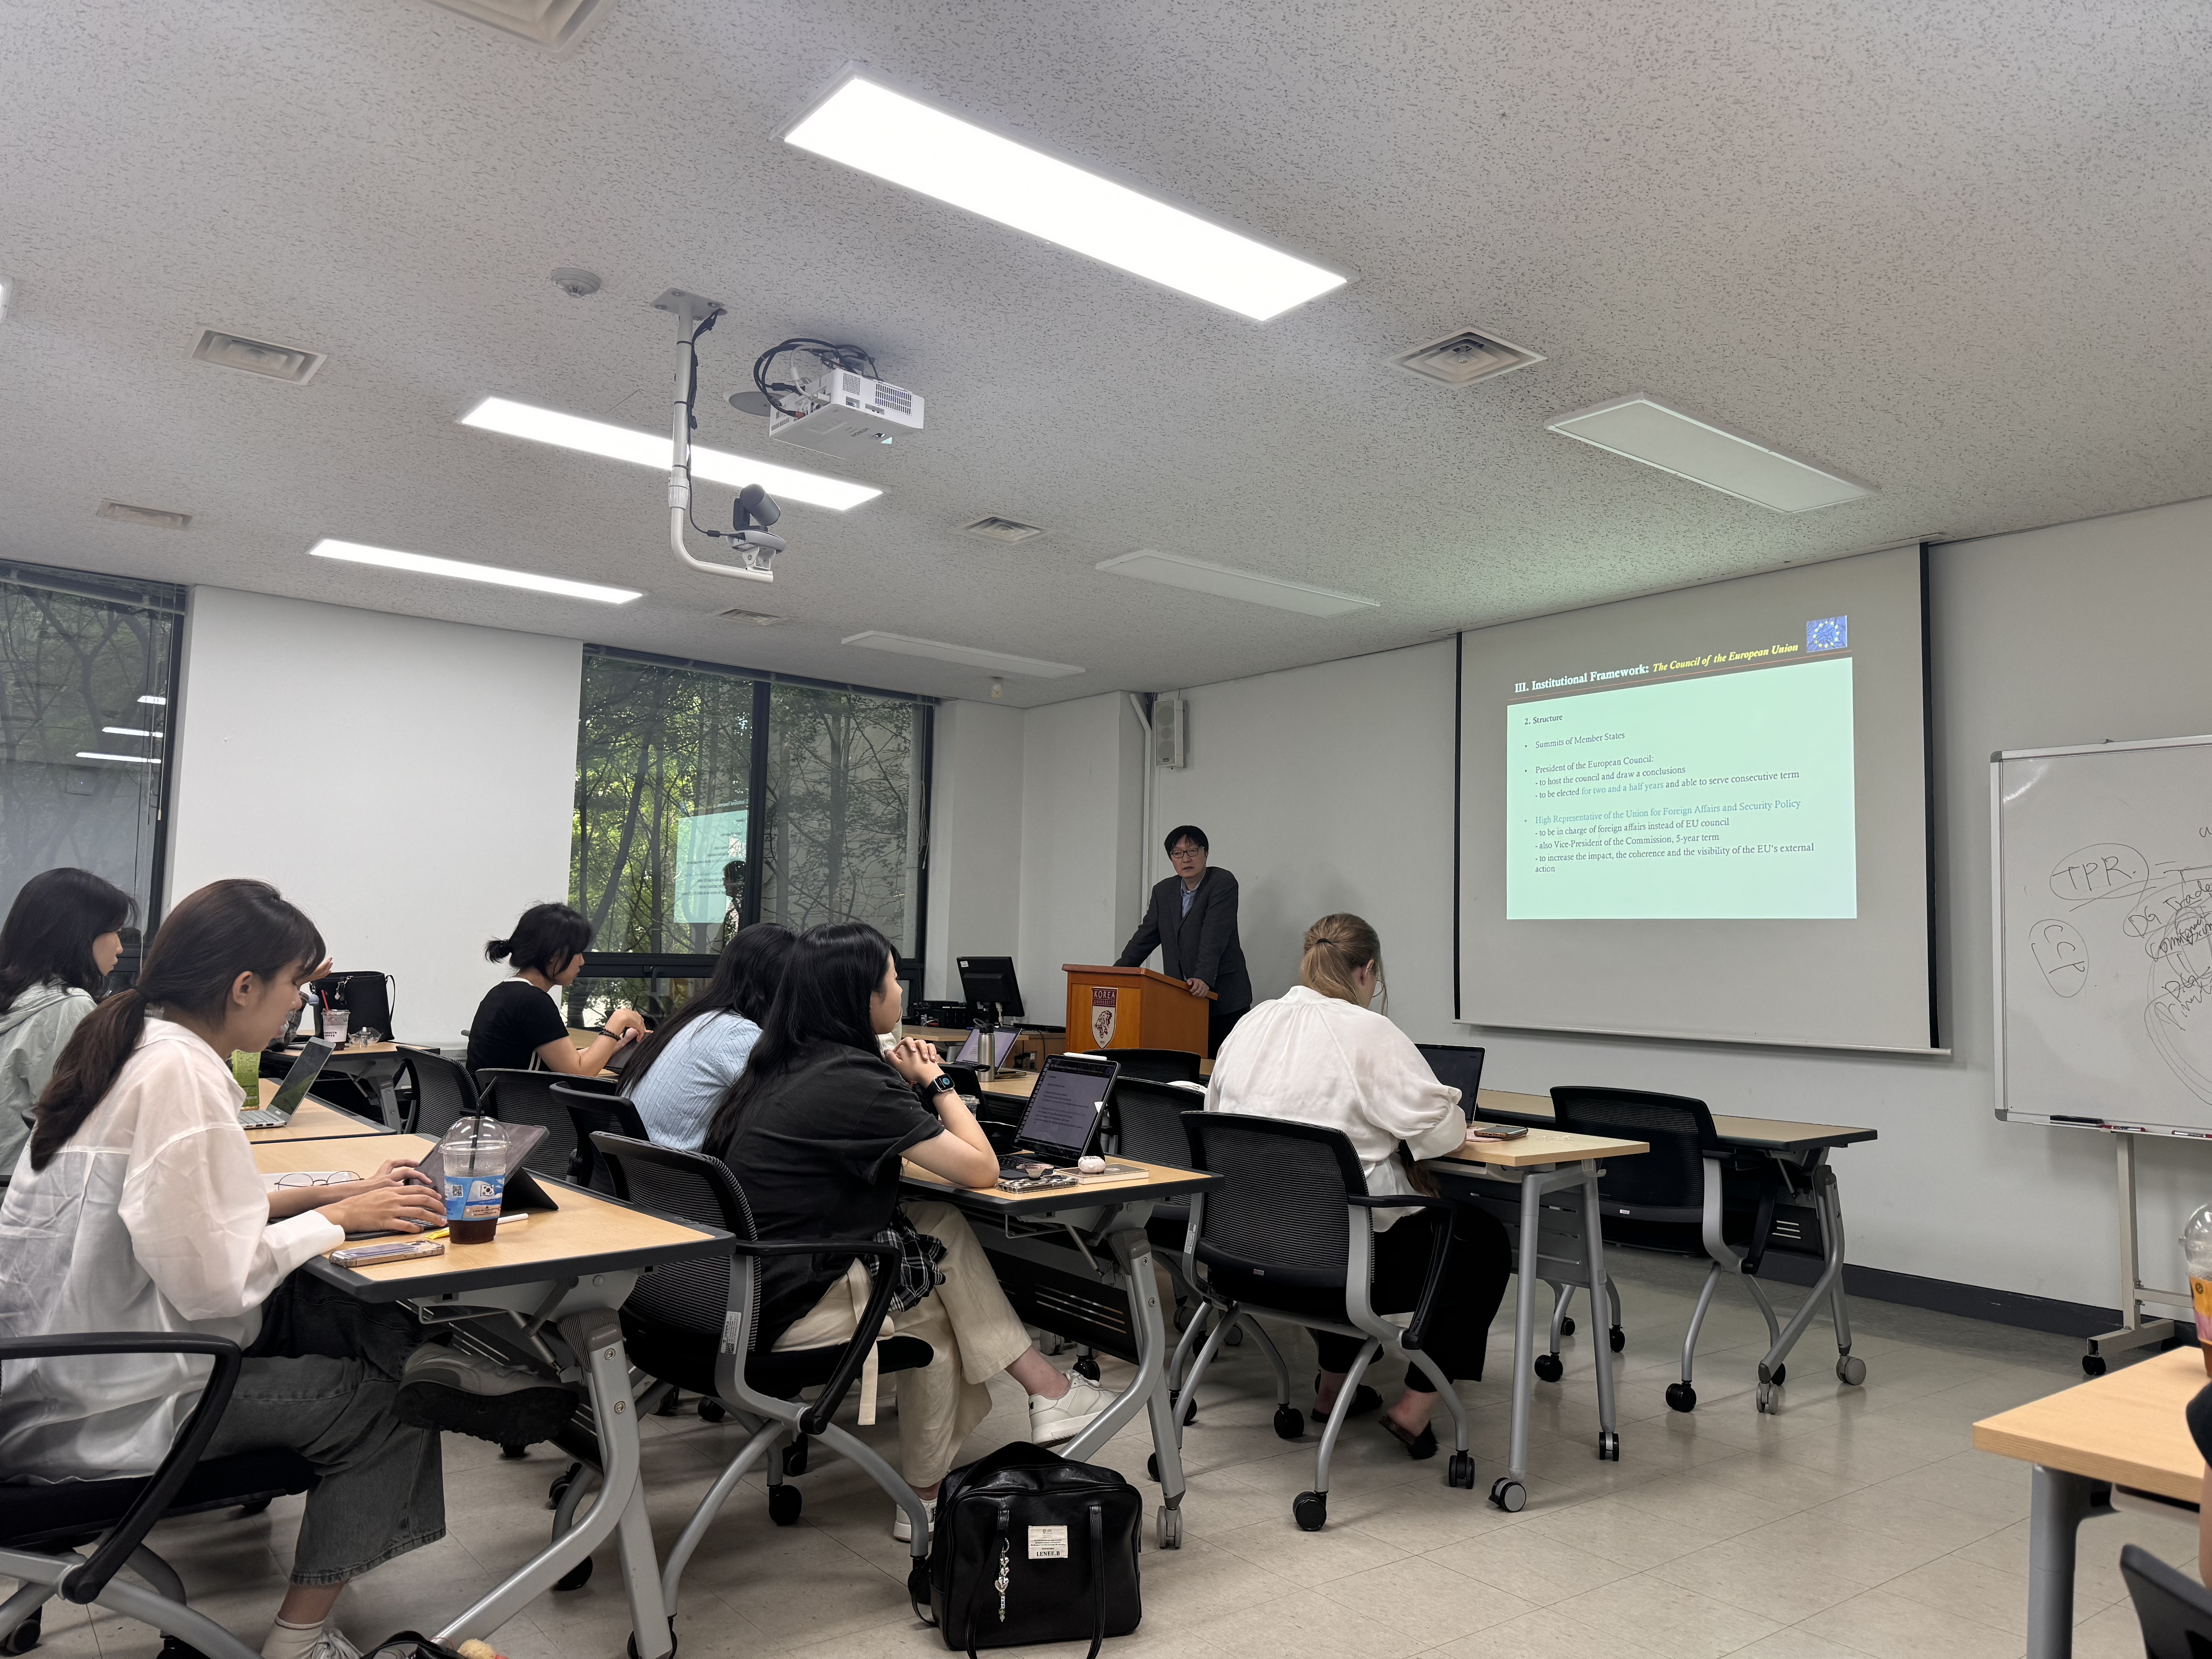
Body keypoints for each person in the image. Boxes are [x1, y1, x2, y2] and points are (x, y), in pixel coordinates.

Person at [0, 878, 566, 1659]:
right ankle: (299, 1642)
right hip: (114, 1404)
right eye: (295, 984)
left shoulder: (133, 1044)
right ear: (243, 987)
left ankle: (452, 1365)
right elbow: (212, 1281)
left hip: (59, 1371)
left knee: (327, 1300)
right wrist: (339, 1219)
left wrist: (336, 1194)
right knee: (386, 1406)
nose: (299, 1003)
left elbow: (187, 1203)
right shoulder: (182, 1073)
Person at [703, 921, 1117, 1539]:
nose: (902, 990)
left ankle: (1045, 1395)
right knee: (934, 1323)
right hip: (786, 1305)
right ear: (862, 997)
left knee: (937, 1220)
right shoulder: (851, 1079)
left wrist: (896, 1089)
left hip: (728, 1288)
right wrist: (936, 1081)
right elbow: (981, 1169)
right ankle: (924, 1496)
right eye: (894, 979)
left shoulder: (781, 1064)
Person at [1204, 912, 1512, 1458]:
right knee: (1481, 1243)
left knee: (1320, 1212)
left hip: (1244, 1255)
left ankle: (1333, 1388)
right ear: (1367, 972)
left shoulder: (1251, 1024)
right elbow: (1440, 1132)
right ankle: (1414, 1409)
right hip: (1335, 1265)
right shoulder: (1368, 1032)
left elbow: (1215, 1119)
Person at [0, 867, 133, 1186]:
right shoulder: (67, 1007)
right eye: (115, 932)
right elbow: (75, 1125)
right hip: (25, 1192)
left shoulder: (16, 996)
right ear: (78, 936)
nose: (120, 948)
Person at [624, 922, 794, 1150]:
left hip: (629, 1164)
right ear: (777, 983)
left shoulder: (695, 1018)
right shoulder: (737, 1033)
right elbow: (790, 1107)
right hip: (668, 1169)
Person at [466, 901, 645, 1078]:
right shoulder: (533, 1001)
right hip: (521, 1098)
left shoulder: (503, 993)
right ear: (555, 955)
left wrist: (620, 1044)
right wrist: (619, 1019)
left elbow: (567, 1062)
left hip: (495, 1098)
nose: (582, 962)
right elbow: (579, 1072)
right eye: (578, 953)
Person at [1115, 824, 1252, 1054]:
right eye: (1177, 853)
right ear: (1172, 858)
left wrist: (1203, 976)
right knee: (1189, 1066)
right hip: (1182, 999)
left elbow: (1214, 933)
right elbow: (1145, 937)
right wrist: (1116, 976)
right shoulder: (1163, 891)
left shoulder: (1222, 882)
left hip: (1224, 999)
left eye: (1192, 851)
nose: (1185, 859)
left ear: (1206, 853)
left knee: (1224, 1066)